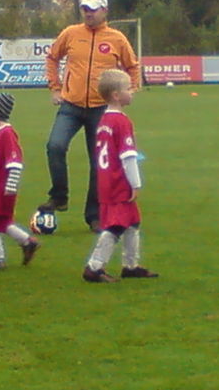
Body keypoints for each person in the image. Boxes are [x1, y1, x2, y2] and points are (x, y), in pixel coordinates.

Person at [39, 0, 140, 233]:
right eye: (85, 8)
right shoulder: (71, 33)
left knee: (98, 163)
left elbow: (132, 66)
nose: (88, 13)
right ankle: (59, 196)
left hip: (100, 109)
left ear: (104, 11)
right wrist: (55, 88)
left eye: (93, 9)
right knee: (55, 146)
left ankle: (94, 216)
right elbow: (52, 58)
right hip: (71, 105)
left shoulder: (116, 38)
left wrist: (132, 89)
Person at [82, 70, 157, 283]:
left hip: (105, 180)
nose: (132, 92)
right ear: (116, 95)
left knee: (133, 222)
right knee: (116, 226)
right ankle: (94, 267)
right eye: (128, 88)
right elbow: (128, 156)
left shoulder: (104, 119)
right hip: (118, 181)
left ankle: (130, 265)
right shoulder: (122, 122)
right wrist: (136, 183)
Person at [0, 92, 40, 271]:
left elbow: (15, 163)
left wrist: (10, 187)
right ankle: (27, 242)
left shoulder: (7, 134)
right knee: (2, 222)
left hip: (1, 190)